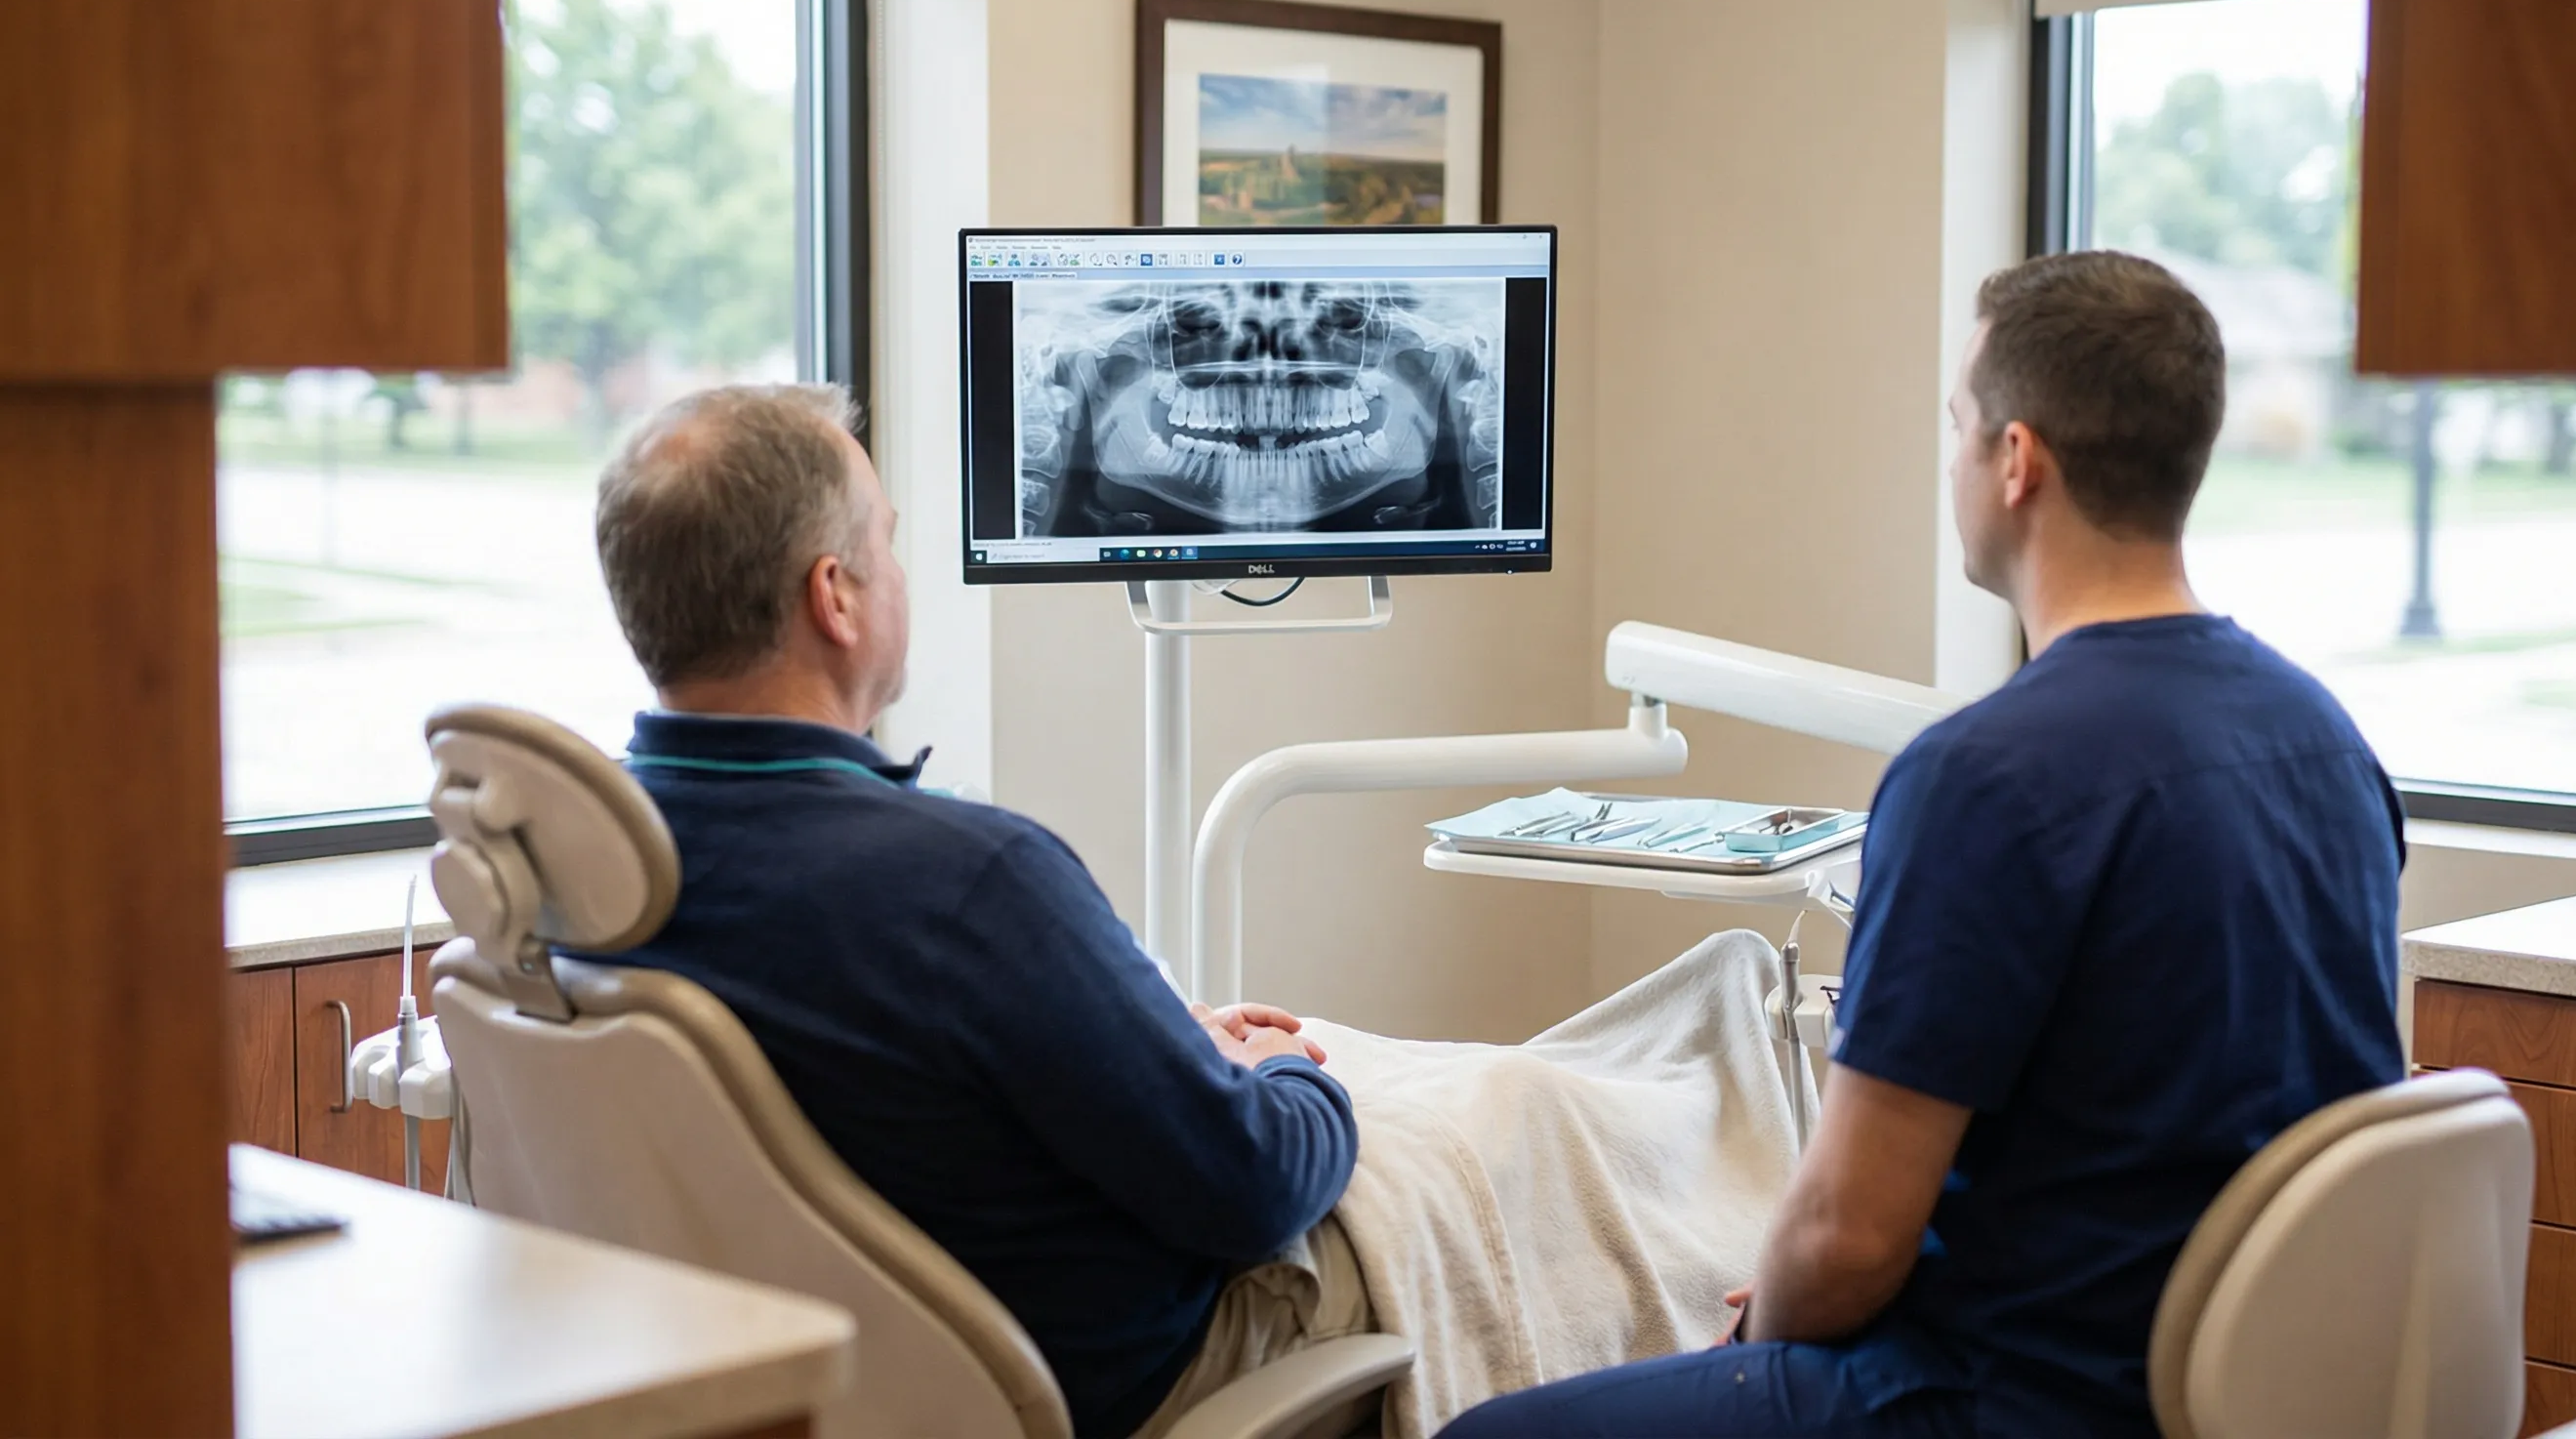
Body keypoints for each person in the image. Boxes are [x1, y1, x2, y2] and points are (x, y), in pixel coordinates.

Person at [1441, 251, 2406, 1438]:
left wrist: (1761, 1336)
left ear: (2015, 461)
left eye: (1957, 424)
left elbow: (1845, 1239)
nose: (1950, 455)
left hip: (2012, 1398)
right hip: (2241, 1388)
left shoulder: (1985, 779)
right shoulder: (2321, 737)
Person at [581, 385, 1358, 1439]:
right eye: (886, 545)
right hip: (1106, 1388)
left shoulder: (582, 866)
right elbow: (1256, 1184)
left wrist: (1165, 1052)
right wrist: (1290, 1079)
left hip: (801, 1390)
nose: (900, 575)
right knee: (1509, 1162)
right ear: (835, 598)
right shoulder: (967, 883)